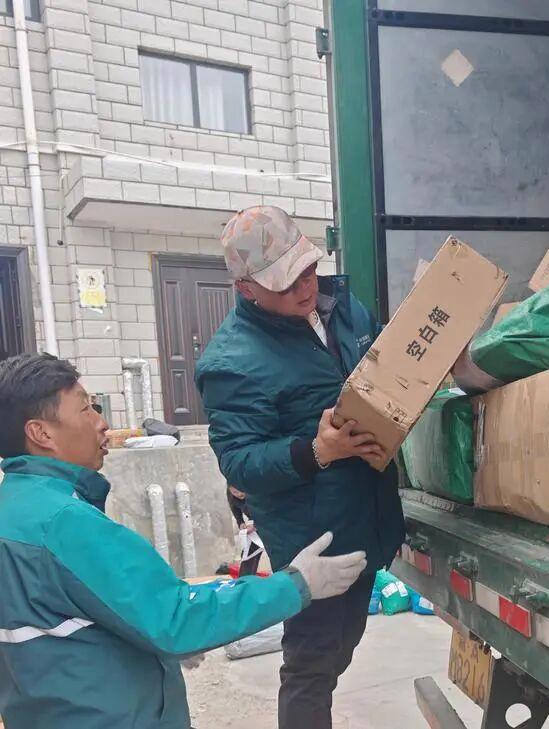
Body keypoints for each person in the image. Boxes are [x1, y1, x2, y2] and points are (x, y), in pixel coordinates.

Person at [0, 353, 368, 729]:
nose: (102, 422)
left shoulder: (11, 510)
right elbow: (175, 617)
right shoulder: (64, 523)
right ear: (41, 433)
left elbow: (67, 622)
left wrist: (150, 640)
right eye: (85, 409)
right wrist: (295, 584)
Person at [195, 206, 405, 729]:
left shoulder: (342, 307)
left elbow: (386, 358)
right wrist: (317, 451)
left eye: (308, 270)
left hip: (368, 514)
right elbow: (240, 461)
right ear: (246, 288)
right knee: (312, 665)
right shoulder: (231, 361)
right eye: (286, 282)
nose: (305, 287)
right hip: (314, 537)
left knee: (341, 646)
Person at [227, 484, 264, 576]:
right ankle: (245, 579)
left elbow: (267, 508)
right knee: (249, 550)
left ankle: (282, 578)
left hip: (272, 519)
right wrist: (241, 522)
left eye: (241, 490)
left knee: (276, 551)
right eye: (235, 492)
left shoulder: (257, 490)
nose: (239, 494)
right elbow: (234, 507)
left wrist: (255, 524)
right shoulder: (231, 495)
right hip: (255, 520)